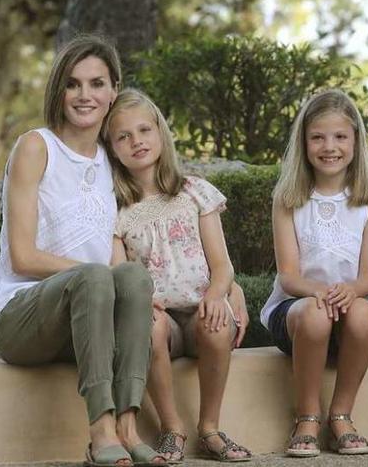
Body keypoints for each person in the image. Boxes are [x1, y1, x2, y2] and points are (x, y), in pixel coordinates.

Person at [0, 35, 166, 467]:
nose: (85, 95)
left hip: (90, 317)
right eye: (73, 84)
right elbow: (23, 257)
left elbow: (119, 244)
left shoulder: (111, 158)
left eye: (97, 84)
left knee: (134, 277)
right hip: (20, 315)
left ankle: (127, 427)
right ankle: (100, 433)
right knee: (98, 275)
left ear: (113, 90)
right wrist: (96, 276)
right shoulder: (36, 146)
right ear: (58, 90)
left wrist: (223, 285)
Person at [106, 89, 253, 463]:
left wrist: (219, 293)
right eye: (123, 136)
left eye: (144, 130)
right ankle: (173, 429)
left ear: (160, 133)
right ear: (111, 148)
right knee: (149, 323)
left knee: (217, 324)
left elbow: (222, 265)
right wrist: (139, 302)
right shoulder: (117, 212)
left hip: (201, 308)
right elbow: (120, 271)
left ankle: (210, 428)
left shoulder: (194, 192)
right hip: (163, 319)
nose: (136, 141)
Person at [261, 89, 368, 457]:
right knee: (316, 314)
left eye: (339, 137)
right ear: (303, 143)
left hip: (350, 310)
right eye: (317, 137)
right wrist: (321, 293)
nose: (329, 146)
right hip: (297, 315)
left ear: (355, 141)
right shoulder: (288, 198)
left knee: (364, 313)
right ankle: (307, 418)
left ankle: (342, 415)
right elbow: (289, 277)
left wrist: (350, 292)